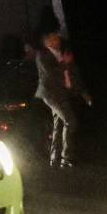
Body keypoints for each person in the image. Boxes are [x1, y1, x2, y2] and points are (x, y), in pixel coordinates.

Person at [36, 30, 87, 167]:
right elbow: (51, 74)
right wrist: (65, 63)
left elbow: (72, 73)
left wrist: (83, 92)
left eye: (57, 37)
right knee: (70, 121)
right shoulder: (42, 54)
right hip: (51, 94)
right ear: (47, 41)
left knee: (58, 125)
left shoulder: (61, 53)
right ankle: (67, 157)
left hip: (62, 93)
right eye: (53, 38)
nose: (57, 40)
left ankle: (55, 158)